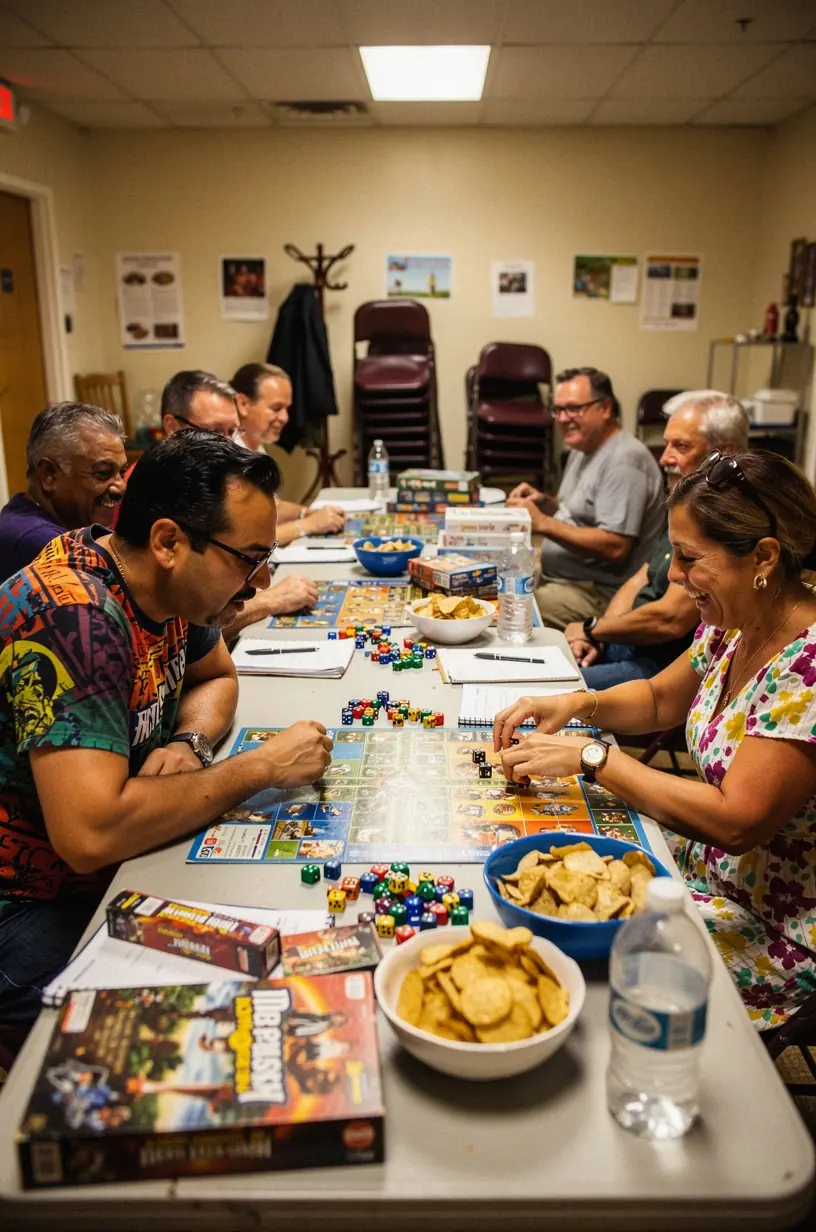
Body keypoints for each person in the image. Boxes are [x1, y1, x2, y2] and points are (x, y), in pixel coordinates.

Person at [0, 431, 333, 1033]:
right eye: (247, 560)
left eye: (267, 561)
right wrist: (259, 768)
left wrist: (190, 743)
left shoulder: (166, 588)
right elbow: (90, 832)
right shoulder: (77, 616)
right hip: (24, 902)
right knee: (191, 1030)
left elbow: (217, 676)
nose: (260, 584)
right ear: (168, 541)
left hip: (101, 868)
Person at [494, 449, 816, 1032]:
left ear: (763, 557)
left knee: (567, 973)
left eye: (690, 558)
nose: (672, 575)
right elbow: (659, 699)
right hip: (695, 870)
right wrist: (572, 702)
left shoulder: (808, 666)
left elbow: (736, 823)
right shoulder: (738, 620)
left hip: (772, 929)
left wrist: (594, 757)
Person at [564, 390, 751, 688]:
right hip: (626, 641)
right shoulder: (687, 501)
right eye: (666, 444)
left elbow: (670, 619)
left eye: (681, 446)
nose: (665, 458)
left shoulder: (727, 521)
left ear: (724, 453)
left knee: (550, 689)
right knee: (540, 666)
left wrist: (594, 629)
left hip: (661, 667)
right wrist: (599, 637)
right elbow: (641, 578)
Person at [506, 367, 664, 630]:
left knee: (511, 607)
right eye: (558, 410)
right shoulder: (583, 446)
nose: (564, 418)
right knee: (492, 579)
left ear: (605, 408)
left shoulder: (625, 460)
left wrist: (543, 522)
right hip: (563, 576)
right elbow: (578, 511)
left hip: (598, 593)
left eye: (574, 409)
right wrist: (545, 501)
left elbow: (615, 545)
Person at [0, 402, 127, 581]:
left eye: (121, 473)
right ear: (48, 474)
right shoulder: (43, 544)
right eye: (103, 473)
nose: (120, 487)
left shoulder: (21, 511)